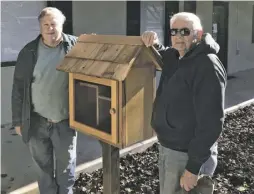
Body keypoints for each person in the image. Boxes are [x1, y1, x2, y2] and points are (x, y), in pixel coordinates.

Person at [142, 12, 227, 193]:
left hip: (187, 154)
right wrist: (153, 41)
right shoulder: (176, 56)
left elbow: (211, 122)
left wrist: (193, 167)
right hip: (169, 148)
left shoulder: (207, 64)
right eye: (174, 32)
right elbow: (162, 53)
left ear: (198, 33)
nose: (178, 37)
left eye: (185, 31)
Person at [12, 7, 78, 194]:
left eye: (54, 24)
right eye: (45, 24)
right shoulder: (28, 52)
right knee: (43, 168)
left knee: (67, 167)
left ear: (62, 25)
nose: (50, 28)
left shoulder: (75, 46)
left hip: (66, 121)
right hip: (37, 121)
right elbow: (18, 89)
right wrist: (18, 121)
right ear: (40, 27)